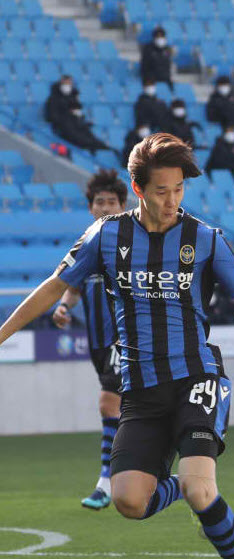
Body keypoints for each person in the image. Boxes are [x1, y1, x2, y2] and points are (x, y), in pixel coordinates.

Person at [0, 133, 234, 559]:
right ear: (138, 190)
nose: (172, 200)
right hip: (140, 390)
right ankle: (184, 490)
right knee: (129, 501)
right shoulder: (107, 235)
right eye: (162, 191)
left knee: (203, 487)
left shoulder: (203, 237)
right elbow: (52, 286)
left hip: (196, 378)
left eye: (179, 189)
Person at [51, 169, 128, 510]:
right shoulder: (87, 245)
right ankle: (149, 472)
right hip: (98, 341)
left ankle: (105, 482)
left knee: (108, 403)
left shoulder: (129, 243)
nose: (105, 207)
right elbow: (74, 284)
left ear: (123, 205)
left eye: (111, 202)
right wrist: (64, 307)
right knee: (125, 410)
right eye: (100, 202)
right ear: (90, 207)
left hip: (124, 339)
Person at [140, 25, 173, 92]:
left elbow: (168, 65)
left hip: (165, 77)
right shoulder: (148, 49)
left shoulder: (167, 49)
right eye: (158, 36)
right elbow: (145, 66)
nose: (160, 38)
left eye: (162, 36)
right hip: (151, 77)